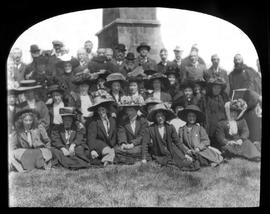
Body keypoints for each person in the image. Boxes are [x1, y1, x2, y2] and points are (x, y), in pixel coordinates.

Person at [142, 103, 200, 171]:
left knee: (189, 164)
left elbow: (178, 142)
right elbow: (145, 144)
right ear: (155, 118)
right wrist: (144, 158)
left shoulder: (170, 127)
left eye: (162, 116)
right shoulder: (150, 129)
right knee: (168, 166)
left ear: (165, 117)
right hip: (158, 154)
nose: (160, 118)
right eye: (158, 116)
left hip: (171, 153)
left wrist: (186, 151)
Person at [115, 96, 149, 164]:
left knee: (140, 150)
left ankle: (131, 158)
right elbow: (121, 133)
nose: (129, 112)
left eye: (131, 110)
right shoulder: (123, 121)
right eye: (127, 110)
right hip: (127, 145)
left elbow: (142, 135)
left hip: (138, 145)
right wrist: (123, 143)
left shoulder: (143, 121)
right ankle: (130, 157)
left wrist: (133, 144)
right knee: (116, 149)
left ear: (136, 111)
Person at [87, 95, 117, 167]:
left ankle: (105, 161)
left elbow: (114, 134)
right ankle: (106, 162)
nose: (101, 112)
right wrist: (92, 150)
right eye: (99, 110)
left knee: (115, 151)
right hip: (99, 145)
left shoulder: (112, 120)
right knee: (111, 152)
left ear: (106, 110)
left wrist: (114, 145)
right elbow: (91, 137)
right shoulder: (94, 122)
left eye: (103, 110)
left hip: (110, 145)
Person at [205, 77, 229, 147]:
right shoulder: (207, 98)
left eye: (219, 88)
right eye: (215, 87)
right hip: (211, 125)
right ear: (211, 88)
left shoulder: (222, 97)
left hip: (221, 124)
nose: (217, 90)